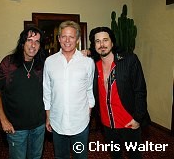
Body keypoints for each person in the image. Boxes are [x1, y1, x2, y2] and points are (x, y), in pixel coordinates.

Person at [89, 27, 151, 159]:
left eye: (105, 40)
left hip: (129, 122)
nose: (102, 45)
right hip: (107, 124)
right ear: (94, 45)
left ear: (112, 42)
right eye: (98, 41)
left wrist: (138, 118)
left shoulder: (129, 60)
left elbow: (140, 90)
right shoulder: (92, 65)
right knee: (115, 155)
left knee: (134, 156)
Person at [0, 27, 46, 159]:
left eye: (37, 41)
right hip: (16, 127)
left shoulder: (43, 64)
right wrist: (3, 120)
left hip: (39, 126)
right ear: (22, 43)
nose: (33, 45)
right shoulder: (8, 63)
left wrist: (84, 53)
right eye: (29, 40)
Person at [43, 20, 95, 159]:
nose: (67, 40)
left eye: (71, 37)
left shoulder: (87, 62)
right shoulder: (49, 62)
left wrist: (88, 115)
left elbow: (89, 91)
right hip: (57, 122)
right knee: (60, 157)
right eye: (64, 36)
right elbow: (47, 92)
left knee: (80, 156)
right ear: (59, 38)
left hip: (80, 123)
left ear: (77, 40)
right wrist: (48, 117)